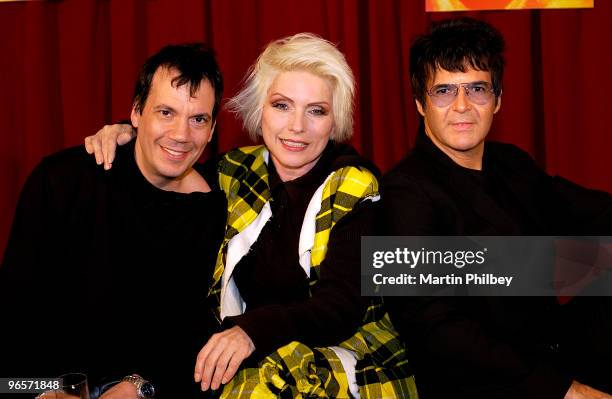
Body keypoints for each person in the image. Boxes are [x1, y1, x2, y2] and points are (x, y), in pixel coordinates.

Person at [83, 33, 417, 399]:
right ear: (260, 109)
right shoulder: (236, 170)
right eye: (282, 106)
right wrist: (128, 131)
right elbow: (174, 151)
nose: (297, 127)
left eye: (316, 110)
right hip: (250, 356)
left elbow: (338, 308)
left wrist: (250, 331)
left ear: (334, 119)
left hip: (349, 359)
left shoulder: (356, 184)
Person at [381, 17, 612, 399]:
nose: (462, 106)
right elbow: (434, 327)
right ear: (420, 104)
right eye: (444, 91)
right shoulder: (403, 193)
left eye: (477, 89)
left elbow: (592, 212)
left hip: (551, 350)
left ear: (498, 99)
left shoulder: (511, 163)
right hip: (480, 378)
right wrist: (564, 390)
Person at [0, 43, 226, 399]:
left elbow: (190, 336)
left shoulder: (211, 212)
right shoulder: (61, 180)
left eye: (198, 119)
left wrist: (141, 386)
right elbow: (14, 315)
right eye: (166, 112)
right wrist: (43, 389)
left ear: (212, 130)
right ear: (136, 113)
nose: (182, 134)